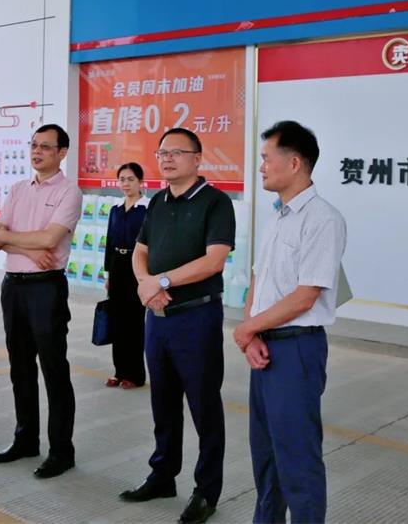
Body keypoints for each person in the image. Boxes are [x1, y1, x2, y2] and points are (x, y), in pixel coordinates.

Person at [233, 121, 346, 524]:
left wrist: (247, 329)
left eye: (267, 158)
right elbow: (259, 281)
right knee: (266, 457)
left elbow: (305, 295)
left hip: (297, 350)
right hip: (265, 347)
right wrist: (251, 333)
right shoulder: (279, 217)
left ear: (295, 163)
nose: (261, 167)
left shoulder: (322, 219)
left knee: (298, 460)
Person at [120, 128, 235, 524]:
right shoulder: (157, 201)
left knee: (204, 406)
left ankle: (207, 491)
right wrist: (145, 284)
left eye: (176, 152)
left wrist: (162, 282)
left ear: (197, 159)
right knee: (163, 403)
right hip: (158, 318)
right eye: (162, 153)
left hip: (197, 318)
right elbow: (140, 251)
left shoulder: (216, 202)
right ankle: (162, 475)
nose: (167, 159)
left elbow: (214, 261)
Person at [0, 123, 82, 479]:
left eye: (45, 146)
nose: (37, 152)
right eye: (34, 145)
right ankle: (25, 439)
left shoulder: (69, 192)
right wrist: (26, 247)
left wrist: (13, 239)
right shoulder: (17, 189)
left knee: (54, 369)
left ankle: (62, 451)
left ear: (62, 153)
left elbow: (50, 239)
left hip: (46, 288)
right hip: (13, 287)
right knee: (20, 367)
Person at [103, 162, 148, 389]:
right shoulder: (116, 209)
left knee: (134, 322)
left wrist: (147, 276)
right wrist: (108, 273)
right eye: (122, 179)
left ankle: (135, 375)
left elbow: (151, 243)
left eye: (131, 179)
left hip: (137, 267)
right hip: (118, 266)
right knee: (117, 320)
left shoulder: (147, 209)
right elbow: (110, 241)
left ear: (141, 182)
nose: (126, 184)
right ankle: (119, 371)